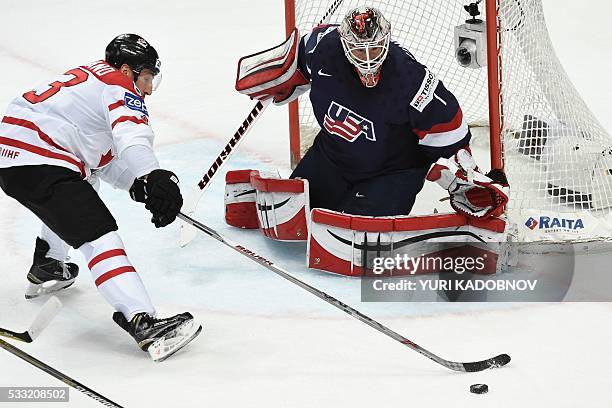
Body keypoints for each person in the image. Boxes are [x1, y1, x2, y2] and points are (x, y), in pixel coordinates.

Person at [0, 34, 200, 361]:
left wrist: (138, 184)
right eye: (146, 77)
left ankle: (49, 261)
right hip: (39, 160)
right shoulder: (119, 86)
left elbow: (97, 157)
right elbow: (132, 135)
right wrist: (154, 175)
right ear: (126, 70)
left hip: (18, 156)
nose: (148, 88)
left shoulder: (93, 81)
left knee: (83, 185)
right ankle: (142, 321)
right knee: (100, 236)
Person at [237, 7, 507, 219]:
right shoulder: (323, 48)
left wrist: (461, 179)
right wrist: (283, 75)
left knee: (360, 229)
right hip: (333, 158)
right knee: (292, 211)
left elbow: (450, 133)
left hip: (392, 171)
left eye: (375, 48)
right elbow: (295, 61)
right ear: (344, 45)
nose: (367, 58)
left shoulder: (409, 79)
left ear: (386, 40)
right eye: (358, 49)